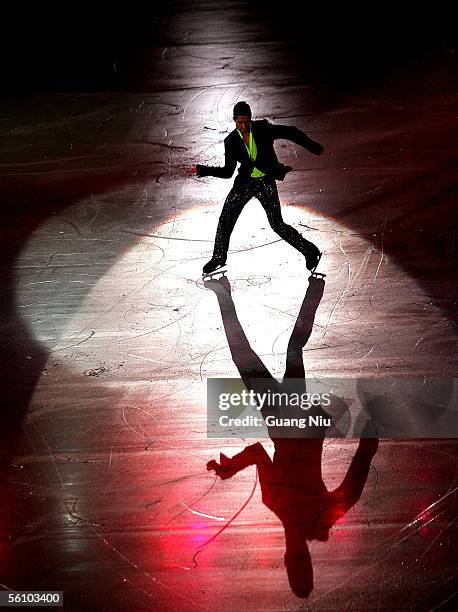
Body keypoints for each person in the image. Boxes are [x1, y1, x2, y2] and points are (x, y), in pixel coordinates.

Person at [191, 101, 324, 275]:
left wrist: (311, 146)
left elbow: (290, 132)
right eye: (240, 122)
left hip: (265, 182)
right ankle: (218, 258)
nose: (244, 126)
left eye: (246, 122)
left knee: (277, 224)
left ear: (251, 119)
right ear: (234, 120)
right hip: (244, 184)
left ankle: (310, 251)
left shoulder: (263, 129)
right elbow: (227, 172)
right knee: (225, 219)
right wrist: (203, 170)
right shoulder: (230, 141)